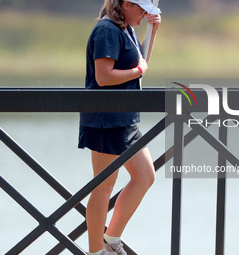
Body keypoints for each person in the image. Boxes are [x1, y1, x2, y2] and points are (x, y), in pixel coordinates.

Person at [78, 1, 161, 255]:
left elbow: (140, 65)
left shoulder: (126, 28)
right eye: (143, 9)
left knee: (145, 176)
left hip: (126, 119)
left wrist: (152, 30)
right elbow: (104, 77)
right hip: (106, 120)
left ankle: (111, 239)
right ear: (126, 5)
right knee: (103, 186)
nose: (147, 13)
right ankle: (96, 252)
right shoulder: (107, 30)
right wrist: (137, 70)